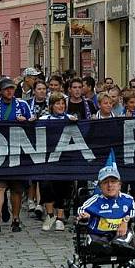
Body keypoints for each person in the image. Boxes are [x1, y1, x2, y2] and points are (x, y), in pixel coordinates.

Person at [0, 77, 32, 235]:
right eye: (6, 89)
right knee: (0, 185)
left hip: (17, 150)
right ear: (1, 91)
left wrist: (27, 121)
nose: (9, 91)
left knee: (16, 188)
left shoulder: (22, 105)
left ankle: (15, 218)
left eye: (11, 88)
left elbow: (33, 122)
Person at [39, 93, 76, 232]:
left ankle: (60, 217)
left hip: (65, 159)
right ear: (51, 106)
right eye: (57, 104)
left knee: (64, 187)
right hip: (48, 159)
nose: (60, 106)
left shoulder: (70, 119)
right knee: (46, 186)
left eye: (62, 104)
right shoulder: (44, 119)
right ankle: (50, 215)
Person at [77, 164, 135, 247]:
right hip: (98, 235)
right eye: (105, 182)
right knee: (95, 245)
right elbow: (81, 210)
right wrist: (85, 215)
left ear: (119, 185)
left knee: (124, 242)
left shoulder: (128, 200)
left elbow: (134, 212)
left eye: (113, 181)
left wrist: (125, 221)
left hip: (121, 234)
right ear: (100, 186)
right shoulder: (94, 200)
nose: (110, 185)